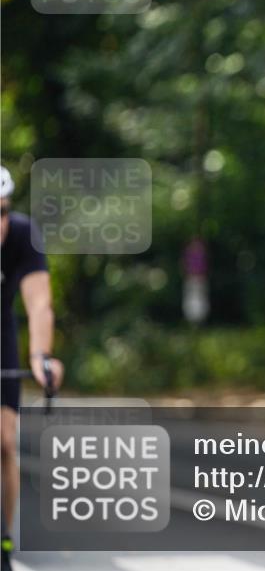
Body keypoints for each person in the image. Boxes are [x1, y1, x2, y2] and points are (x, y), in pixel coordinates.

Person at [0, 165, 64, 571]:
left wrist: (41, 357)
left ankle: (4, 538)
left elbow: (39, 301)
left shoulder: (23, 234)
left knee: (4, 441)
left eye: (1, 212)